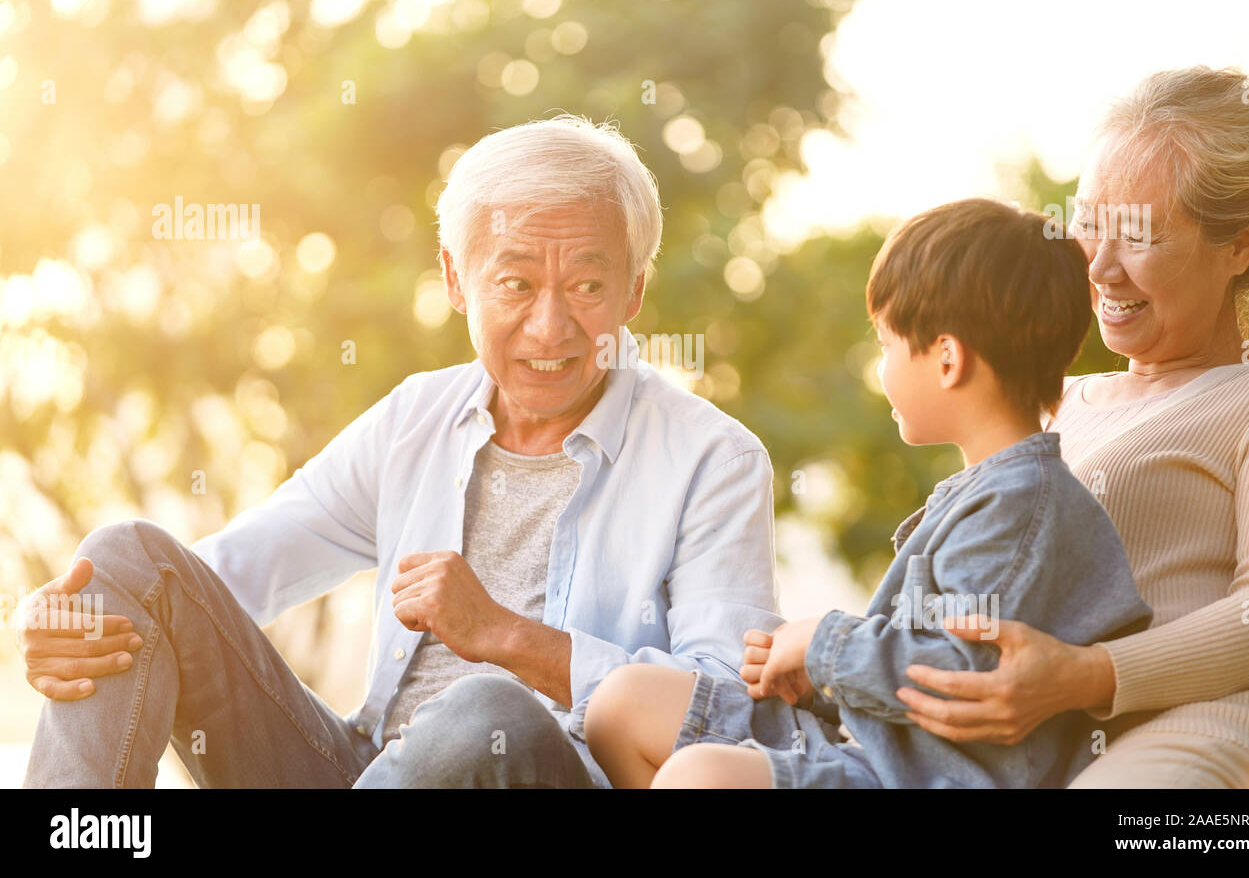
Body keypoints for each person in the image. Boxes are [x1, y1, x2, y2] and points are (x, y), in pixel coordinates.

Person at [18, 115, 783, 789]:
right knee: (125, 565)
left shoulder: (715, 460)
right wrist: (73, 618)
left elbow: (729, 720)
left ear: (635, 293)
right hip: (368, 769)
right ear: (456, 280)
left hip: (544, 775)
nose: (551, 328)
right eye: (515, 283)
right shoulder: (417, 417)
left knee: (491, 709)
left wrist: (507, 638)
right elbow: (225, 577)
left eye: (587, 286)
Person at [584, 198, 1153, 788]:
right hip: (876, 749)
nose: (879, 366)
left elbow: (959, 673)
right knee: (622, 703)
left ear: (948, 359)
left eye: (886, 345)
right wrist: (826, 682)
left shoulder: (1021, 510)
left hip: (925, 776)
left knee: (700, 777)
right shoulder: (988, 494)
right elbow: (913, 660)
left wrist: (820, 643)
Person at [897, 67, 1249, 788]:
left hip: (1185, 739)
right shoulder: (1044, 402)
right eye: (1087, 223)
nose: (1101, 267)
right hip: (1011, 745)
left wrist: (1086, 676)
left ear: (1240, 244)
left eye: (1139, 237)